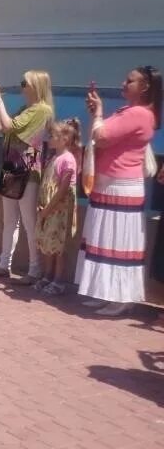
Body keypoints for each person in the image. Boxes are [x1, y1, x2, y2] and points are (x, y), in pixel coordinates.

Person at [78, 67, 161, 316]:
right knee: (104, 239)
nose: (124, 83)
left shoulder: (140, 114)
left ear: (145, 86)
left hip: (122, 185)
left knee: (117, 240)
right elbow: (98, 135)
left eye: (130, 80)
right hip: (108, 182)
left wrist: (100, 113)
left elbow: (102, 136)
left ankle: (122, 296)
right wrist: (97, 113)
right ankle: (106, 292)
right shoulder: (127, 111)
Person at [0, 70, 54, 284]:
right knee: (9, 221)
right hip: (12, 168)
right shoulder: (27, 108)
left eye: (25, 82)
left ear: (36, 86)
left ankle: (35, 269)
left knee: (28, 221)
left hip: (28, 171)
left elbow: (9, 126)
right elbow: (1, 128)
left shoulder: (42, 110)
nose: (22, 86)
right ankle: (3, 264)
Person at [34, 119, 80, 297]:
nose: (48, 139)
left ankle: (58, 281)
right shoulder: (54, 158)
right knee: (48, 244)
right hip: (48, 208)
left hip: (58, 210)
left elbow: (62, 190)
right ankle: (47, 275)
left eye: (52, 136)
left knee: (58, 246)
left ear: (64, 139)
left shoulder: (68, 161)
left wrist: (48, 209)